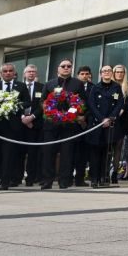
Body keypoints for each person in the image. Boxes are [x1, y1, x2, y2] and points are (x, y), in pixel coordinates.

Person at [40, 58, 87, 190]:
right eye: (63, 66)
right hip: (51, 124)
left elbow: (82, 102)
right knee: (49, 153)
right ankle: (47, 180)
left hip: (69, 125)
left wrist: (74, 114)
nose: (66, 68)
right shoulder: (49, 84)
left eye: (69, 66)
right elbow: (43, 102)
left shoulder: (78, 84)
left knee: (67, 154)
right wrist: (50, 112)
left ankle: (64, 181)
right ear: (58, 69)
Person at [85, 66, 124, 188]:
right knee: (95, 153)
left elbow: (119, 103)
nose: (107, 73)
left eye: (109, 71)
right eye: (104, 71)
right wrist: (102, 119)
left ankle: (103, 178)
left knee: (107, 153)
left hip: (110, 125)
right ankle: (94, 178)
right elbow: (91, 104)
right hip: (97, 124)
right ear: (101, 74)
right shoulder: (95, 87)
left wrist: (111, 117)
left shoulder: (116, 87)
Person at [19, 64, 45, 186]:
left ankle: (31, 178)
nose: (31, 73)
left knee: (33, 153)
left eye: (33, 72)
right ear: (24, 74)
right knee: (18, 152)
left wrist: (32, 118)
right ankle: (17, 177)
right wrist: (23, 117)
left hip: (35, 125)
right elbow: (14, 104)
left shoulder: (42, 87)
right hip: (19, 125)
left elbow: (42, 106)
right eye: (29, 71)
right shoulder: (18, 86)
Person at [112, 64, 128, 183]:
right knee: (108, 146)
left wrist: (122, 109)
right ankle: (104, 172)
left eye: (122, 72)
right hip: (111, 118)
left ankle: (114, 173)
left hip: (123, 118)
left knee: (118, 147)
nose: (119, 74)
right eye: (117, 72)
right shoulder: (111, 85)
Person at [74, 66, 94, 186]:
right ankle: (67, 176)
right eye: (82, 74)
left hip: (87, 124)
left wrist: (84, 117)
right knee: (72, 152)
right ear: (78, 75)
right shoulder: (73, 86)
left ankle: (80, 179)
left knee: (83, 153)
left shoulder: (93, 88)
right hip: (73, 123)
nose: (84, 76)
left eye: (87, 74)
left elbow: (93, 105)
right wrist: (76, 117)